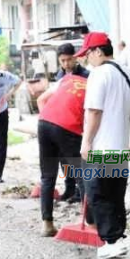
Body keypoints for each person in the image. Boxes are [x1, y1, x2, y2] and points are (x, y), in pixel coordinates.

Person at [78, 32, 130, 259]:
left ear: (97, 51)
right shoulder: (129, 73)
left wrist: (86, 141)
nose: (86, 60)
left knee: (98, 194)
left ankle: (112, 240)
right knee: (115, 193)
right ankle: (119, 237)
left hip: (102, 145)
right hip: (121, 145)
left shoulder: (99, 74)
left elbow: (94, 110)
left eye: (87, 54)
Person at [36, 67, 88, 237]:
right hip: (68, 127)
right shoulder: (93, 87)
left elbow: (41, 99)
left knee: (47, 176)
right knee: (81, 174)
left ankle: (47, 224)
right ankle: (90, 222)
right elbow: (92, 116)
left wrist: (49, 122)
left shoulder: (66, 79)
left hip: (45, 122)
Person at [52, 43, 88, 202]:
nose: (66, 63)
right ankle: (69, 188)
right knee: (63, 158)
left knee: (77, 159)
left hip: (79, 123)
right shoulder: (59, 76)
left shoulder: (85, 75)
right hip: (62, 122)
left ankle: (82, 193)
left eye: (69, 59)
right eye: (63, 60)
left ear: (75, 57)